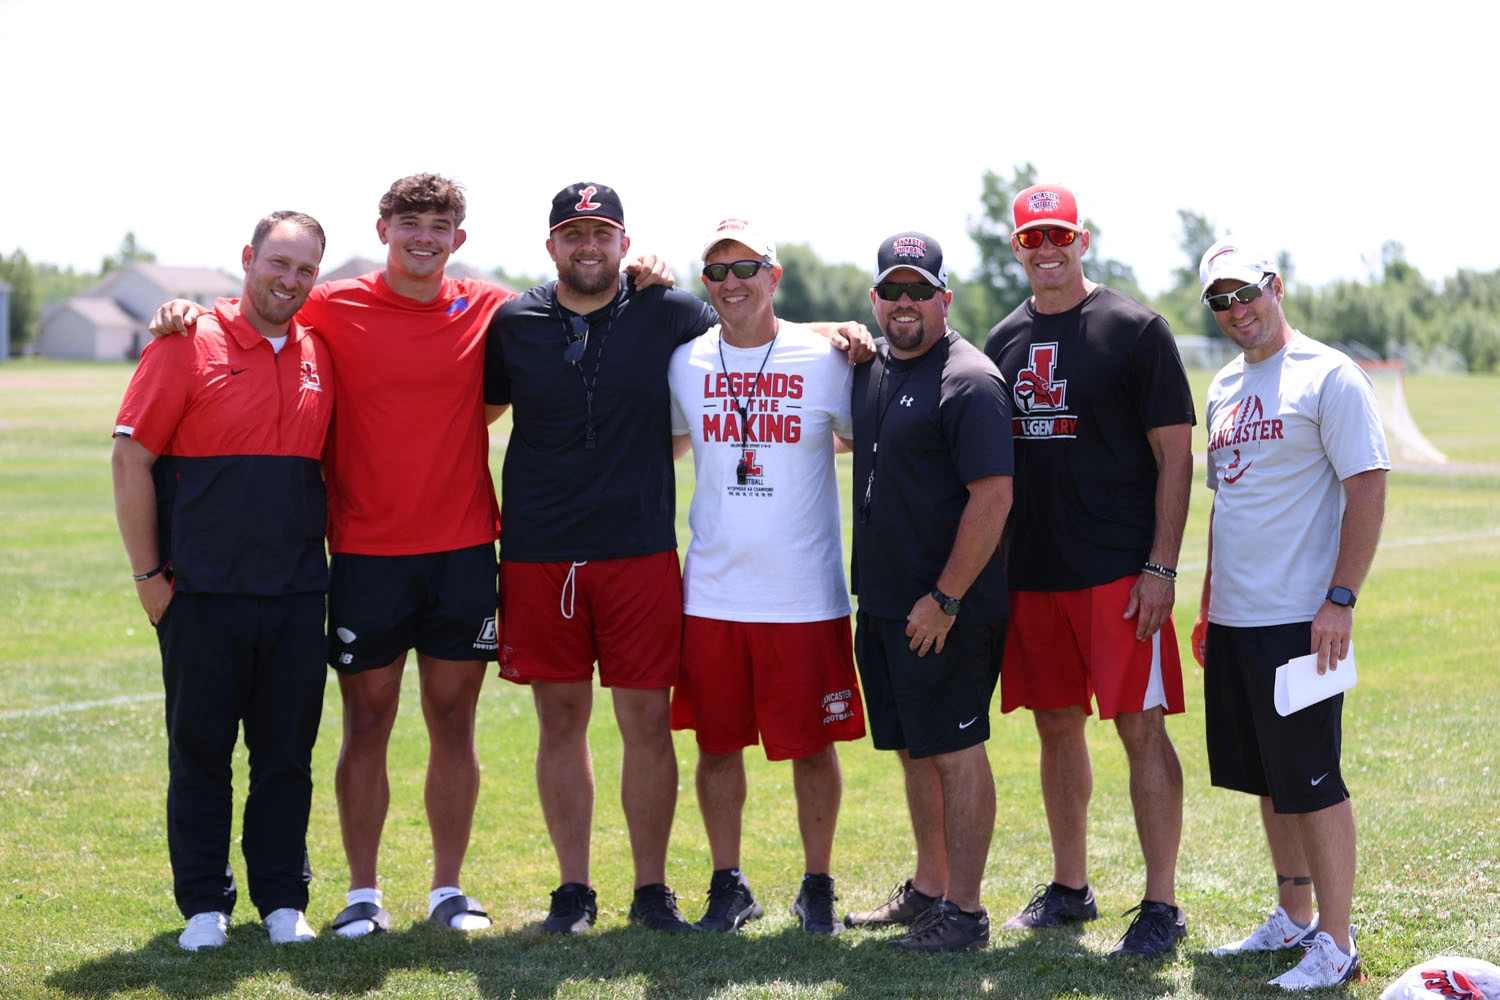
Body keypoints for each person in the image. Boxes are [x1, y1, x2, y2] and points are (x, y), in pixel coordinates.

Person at [146, 175, 673, 935]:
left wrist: (643, 265)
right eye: (410, 222)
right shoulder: (332, 304)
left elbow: (574, 298)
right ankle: (363, 894)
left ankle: (446, 890)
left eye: (441, 225)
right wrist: (187, 312)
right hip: (364, 551)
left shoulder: (492, 307)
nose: (424, 236)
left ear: (459, 239)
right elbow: (260, 309)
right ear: (385, 228)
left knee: (453, 722)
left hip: (462, 549)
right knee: (367, 724)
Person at [484, 184, 871, 935]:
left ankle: (666, 891)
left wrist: (843, 331)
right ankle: (585, 892)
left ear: (626, 243)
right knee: (580, 726)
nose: (587, 246)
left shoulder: (673, 316)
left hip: (665, 560)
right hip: (561, 558)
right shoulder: (531, 323)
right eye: (573, 233)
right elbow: (477, 409)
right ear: (551, 245)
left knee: (663, 727)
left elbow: (772, 340)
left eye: (602, 233)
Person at [983, 184, 1195, 956]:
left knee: (1140, 727)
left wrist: (1160, 566)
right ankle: (1071, 888)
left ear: (1084, 239)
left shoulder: (1136, 329)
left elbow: (1176, 455)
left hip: (1119, 573)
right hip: (1034, 574)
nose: (1048, 250)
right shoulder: (1002, 340)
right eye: (1033, 238)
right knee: (1054, 727)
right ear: (1017, 247)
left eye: (1060, 235)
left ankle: (1161, 904)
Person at [113, 211, 333, 951]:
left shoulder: (322, 352)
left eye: (305, 269)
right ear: (248, 258)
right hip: (201, 595)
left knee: (285, 759)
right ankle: (204, 903)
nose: (290, 280)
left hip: (299, 594)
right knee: (200, 755)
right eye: (279, 263)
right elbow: (130, 460)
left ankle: (281, 900)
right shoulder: (186, 342)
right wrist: (148, 576)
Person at [1193, 238, 1387, 990]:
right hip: (1238, 619)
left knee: (1312, 778)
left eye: (1246, 292)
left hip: (1302, 619)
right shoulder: (1221, 387)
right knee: (1270, 780)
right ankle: (1293, 918)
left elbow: (1367, 486)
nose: (1236, 309)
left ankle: (1336, 944)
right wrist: (1210, 603)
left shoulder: (1329, 375)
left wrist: (1340, 599)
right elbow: (1226, 505)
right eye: (1221, 301)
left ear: (1276, 285)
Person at [666, 218, 866, 935]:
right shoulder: (684, 361)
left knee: (811, 746)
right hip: (713, 591)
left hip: (804, 593)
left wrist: (843, 332)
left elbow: (856, 436)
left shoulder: (825, 359)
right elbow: (670, 442)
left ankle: (817, 885)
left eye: (745, 267)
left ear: (773, 275)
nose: (731, 283)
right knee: (717, 746)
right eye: (716, 272)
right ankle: (729, 883)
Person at [845, 231, 1013, 953]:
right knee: (916, 751)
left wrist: (944, 599)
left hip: (943, 611)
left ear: (945, 297)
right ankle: (930, 888)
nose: (905, 302)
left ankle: (966, 913)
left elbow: (993, 498)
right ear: (877, 299)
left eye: (920, 290)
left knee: (956, 751)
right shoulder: (874, 366)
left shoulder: (968, 380)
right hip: (884, 603)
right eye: (892, 290)